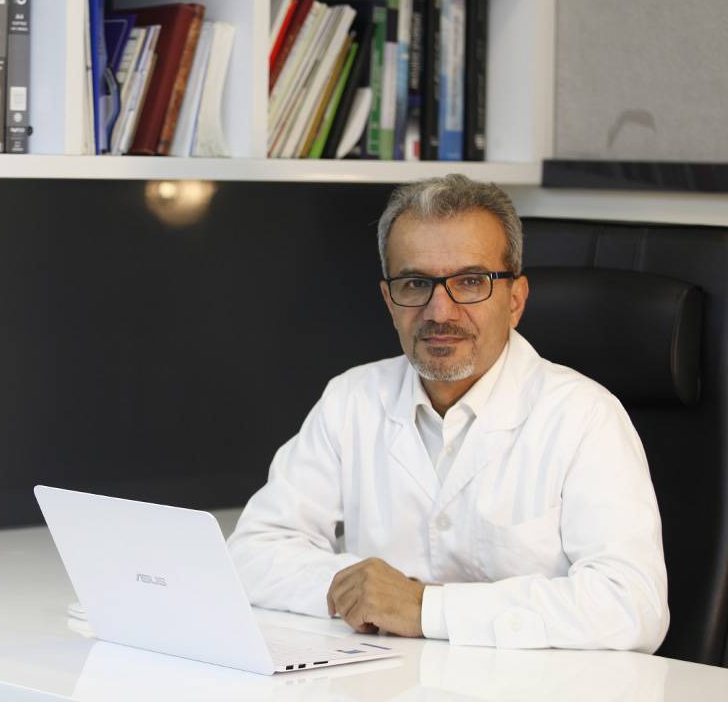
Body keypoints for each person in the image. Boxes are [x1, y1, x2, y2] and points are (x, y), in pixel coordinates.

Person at [227, 175, 670, 652]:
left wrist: (426, 607)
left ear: (515, 300)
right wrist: (364, 591)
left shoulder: (585, 416)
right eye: (416, 283)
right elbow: (251, 553)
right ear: (389, 301)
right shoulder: (351, 399)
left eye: (470, 282)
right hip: (385, 679)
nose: (440, 311)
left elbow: (632, 605)